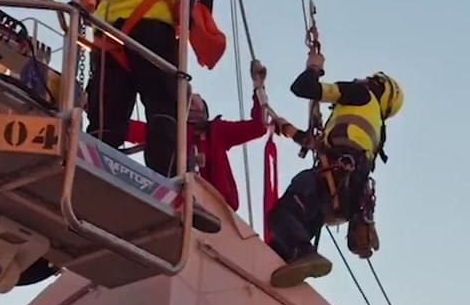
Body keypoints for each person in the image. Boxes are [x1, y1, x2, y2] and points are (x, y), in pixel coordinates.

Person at [82, 0, 223, 216]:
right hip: (152, 31)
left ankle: (90, 189)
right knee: (163, 109)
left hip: (108, 39)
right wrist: (205, 1)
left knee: (105, 119)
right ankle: (164, 189)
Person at [266, 54, 404, 286]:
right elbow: (318, 144)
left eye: (370, 79)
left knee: (282, 214)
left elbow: (302, 88)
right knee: (282, 245)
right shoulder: (373, 126)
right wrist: (287, 129)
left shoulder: (360, 95)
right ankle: (287, 260)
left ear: (378, 87)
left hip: (331, 177)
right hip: (343, 195)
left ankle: (303, 252)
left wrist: (314, 68)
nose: (362, 79)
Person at [127, 71, 267, 212]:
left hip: (219, 205)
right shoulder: (171, 128)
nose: (192, 99)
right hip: (177, 197)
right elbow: (130, 129)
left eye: (196, 98)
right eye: (188, 99)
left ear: (204, 110)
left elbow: (258, 127)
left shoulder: (219, 131)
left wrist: (258, 87)